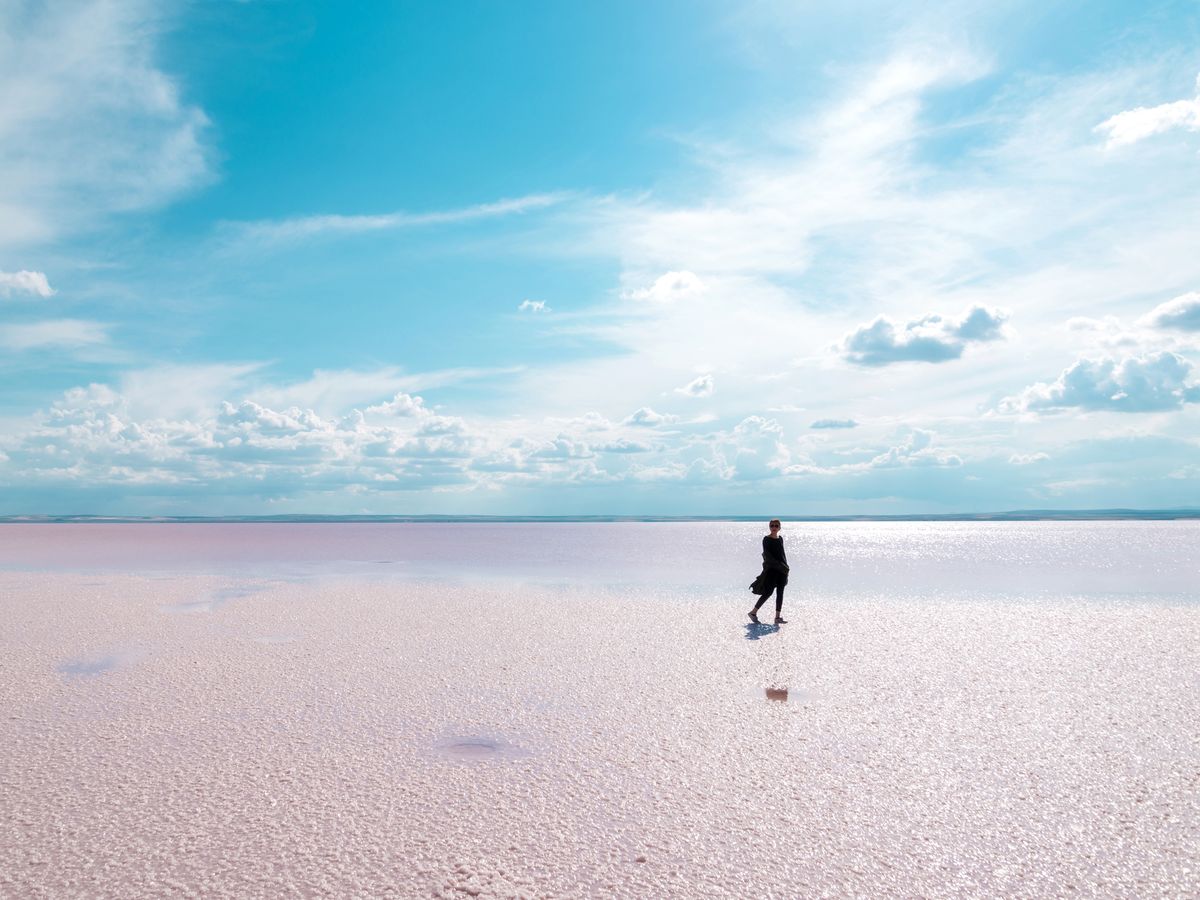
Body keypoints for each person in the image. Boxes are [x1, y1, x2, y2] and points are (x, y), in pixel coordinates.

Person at [748, 519, 789, 625]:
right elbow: (768, 556)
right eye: (772, 526)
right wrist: (780, 566)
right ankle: (753, 613)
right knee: (768, 592)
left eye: (776, 526)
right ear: (769, 527)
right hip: (772, 570)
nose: (774, 527)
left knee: (780, 593)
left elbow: (782, 555)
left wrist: (786, 567)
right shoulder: (766, 539)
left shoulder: (780, 539)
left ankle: (777, 617)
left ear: (779, 527)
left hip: (782, 571)